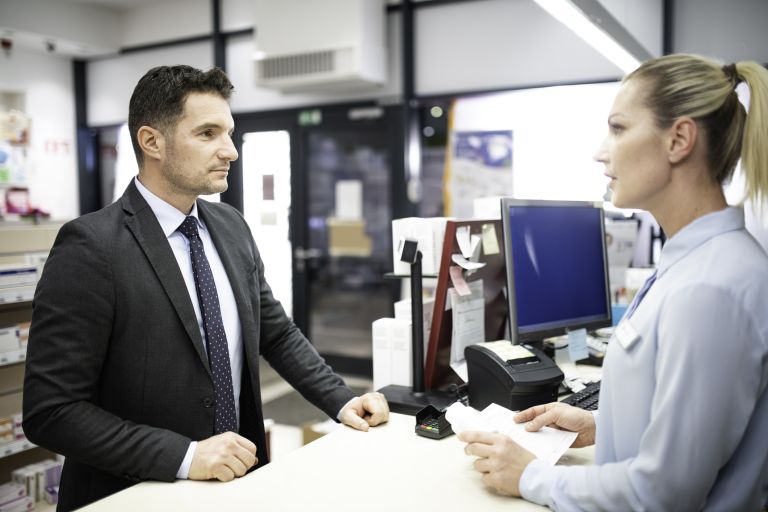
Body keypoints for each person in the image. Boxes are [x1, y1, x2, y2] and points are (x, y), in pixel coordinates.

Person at [22, 65, 390, 511]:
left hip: (239, 481)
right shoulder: (92, 246)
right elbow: (52, 411)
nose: (230, 151)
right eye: (208, 133)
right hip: (136, 494)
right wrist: (185, 456)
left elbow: (275, 333)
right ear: (151, 141)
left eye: (229, 133)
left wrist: (341, 400)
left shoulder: (230, 226)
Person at [459, 53, 768, 510]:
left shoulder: (711, 288)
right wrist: (600, 425)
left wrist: (530, 476)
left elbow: (663, 493)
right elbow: (693, 426)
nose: (601, 151)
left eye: (618, 128)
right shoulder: (696, 261)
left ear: (679, 139)